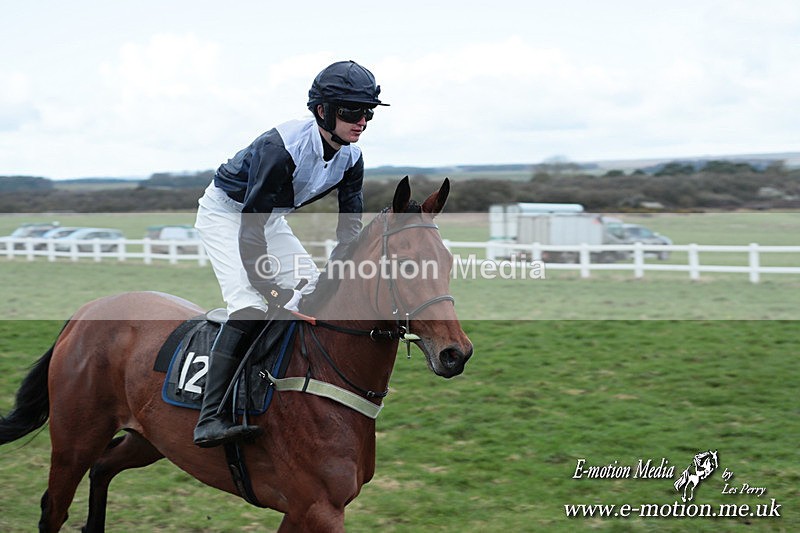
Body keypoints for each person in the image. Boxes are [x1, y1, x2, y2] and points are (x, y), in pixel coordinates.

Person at [192, 60, 388, 447]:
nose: (361, 121)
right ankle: (209, 417)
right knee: (250, 306)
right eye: (352, 111)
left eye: (367, 113)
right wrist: (273, 293)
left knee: (314, 294)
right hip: (228, 214)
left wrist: (342, 274)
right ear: (323, 111)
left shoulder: (352, 158)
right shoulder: (279, 149)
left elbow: (348, 230)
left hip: (269, 219)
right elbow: (250, 230)